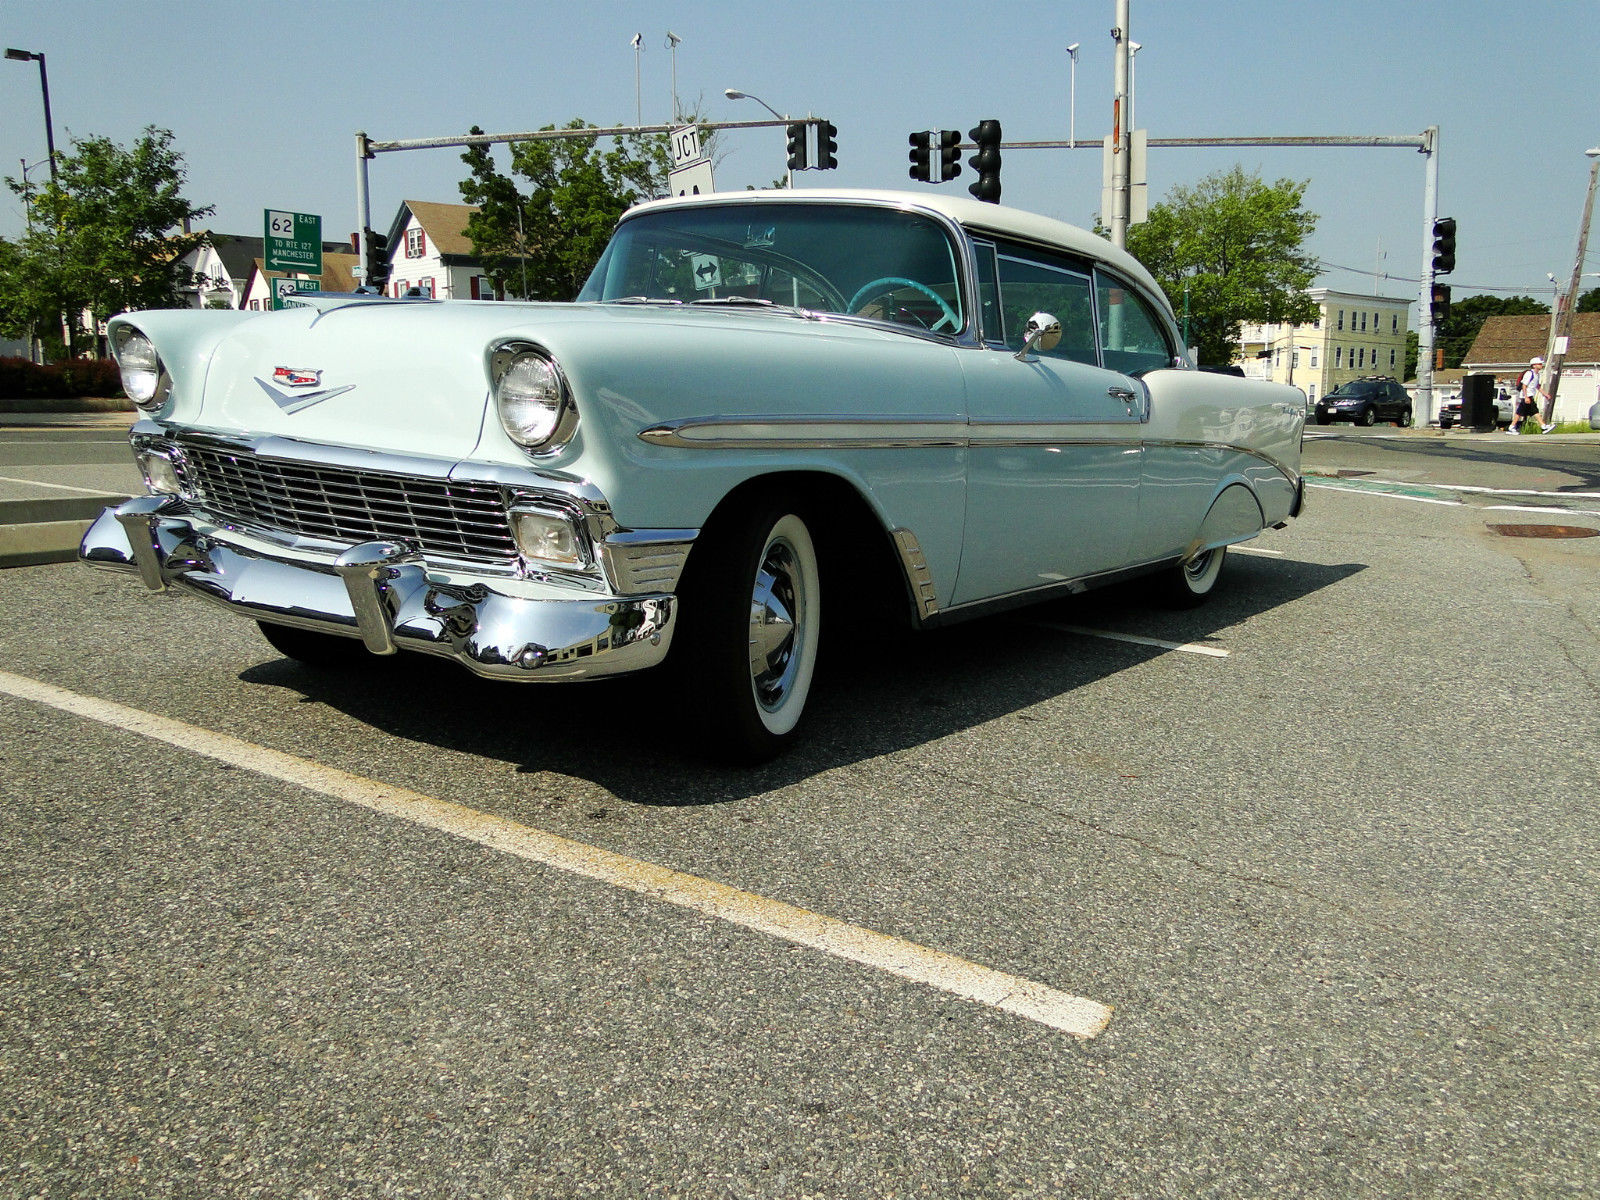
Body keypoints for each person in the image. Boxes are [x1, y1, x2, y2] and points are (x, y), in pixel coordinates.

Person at [1510, 356, 1545, 434]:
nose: (1541, 365)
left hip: (1529, 396)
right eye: (1539, 364)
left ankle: (1511, 427)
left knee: (1519, 413)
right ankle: (1543, 426)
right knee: (1535, 411)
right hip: (1527, 396)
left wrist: (1545, 394)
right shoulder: (1529, 373)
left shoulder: (1537, 374)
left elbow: (1537, 386)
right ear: (1534, 365)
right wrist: (1526, 397)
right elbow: (1524, 385)